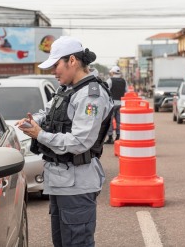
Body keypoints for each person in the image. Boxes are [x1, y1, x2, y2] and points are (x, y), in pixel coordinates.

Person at [16, 36, 113, 247]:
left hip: (77, 186)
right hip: (61, 182)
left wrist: (40, 135)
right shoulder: (67, 89)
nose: (53, 71)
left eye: (56, 65)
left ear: (72, 60)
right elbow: (48, 112)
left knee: (77, 243)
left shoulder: (91, 96)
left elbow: (80, 141)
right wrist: (33, 122)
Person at [104, 65, 128, 144]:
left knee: (109, 121)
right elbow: (126, 91)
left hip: (112, 104)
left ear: (113, 72)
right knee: (119, 121)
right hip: (121, 104)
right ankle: (118, 136)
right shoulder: (124, 81)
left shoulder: (110, 80)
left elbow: (105, 91)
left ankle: (110, 137)